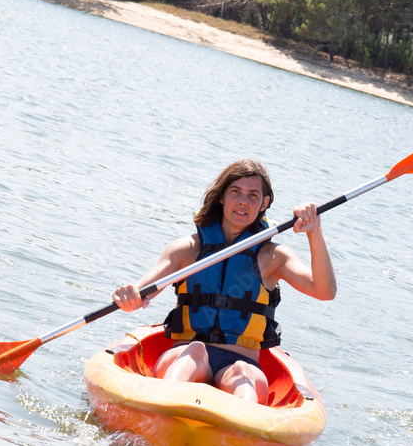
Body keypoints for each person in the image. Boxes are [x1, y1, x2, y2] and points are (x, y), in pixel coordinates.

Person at [112, 159, 337, 404]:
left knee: (243, 373)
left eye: (253, 195)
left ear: (265, 203)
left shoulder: (273, 257)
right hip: (183, 355)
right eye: (235, 192)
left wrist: (314, 232)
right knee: (194, 352)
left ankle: (240, 426)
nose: (243, 201)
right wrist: (129, 295)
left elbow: (324, 291)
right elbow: (143, 292)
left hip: (241, 363)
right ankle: (163, 409)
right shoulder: (188, 249)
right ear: (221, 197)